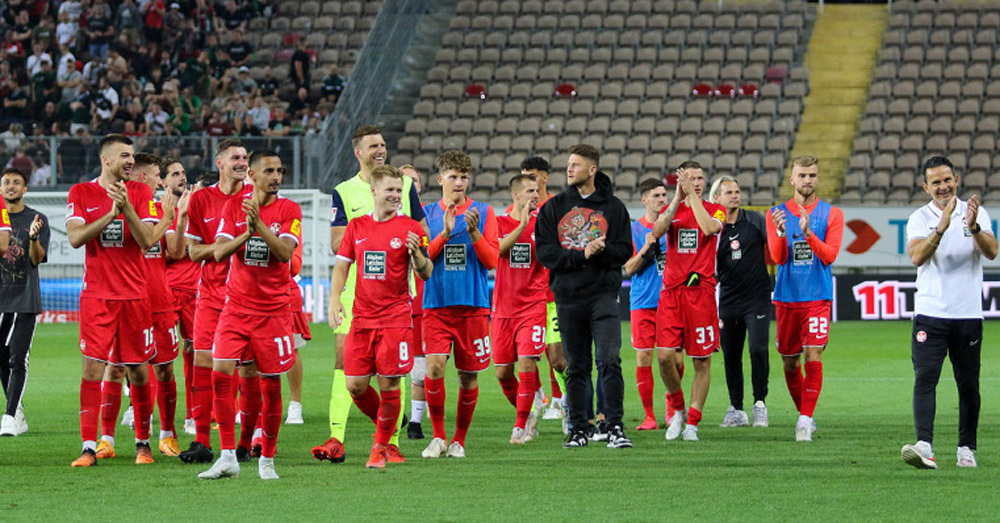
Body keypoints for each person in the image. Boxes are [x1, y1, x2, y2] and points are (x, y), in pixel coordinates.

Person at [312, 125, 426, 464]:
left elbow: (421, 233)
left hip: (396, 296)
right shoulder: (345, 191)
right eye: (373, 145)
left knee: (392, 372)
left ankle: (388, 442)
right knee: (346, 367)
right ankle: (338, 435)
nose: (380, 149)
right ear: (358, 152)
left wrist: (409, 244)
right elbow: (337, 245)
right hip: (355, 292)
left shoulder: (403, 186)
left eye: (383, 143)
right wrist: (367, 231)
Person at [199, 149, 302, 480]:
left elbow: (286, 252)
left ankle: (267, 459)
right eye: (269, 171)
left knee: (271, 386)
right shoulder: (234, 207)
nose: (276, 176)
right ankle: (228, 454)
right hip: (236, 307)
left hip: (273, 312)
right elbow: (217, 252)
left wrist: (259, 226)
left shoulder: (290, 209)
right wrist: (247, 230)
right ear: (252, 176)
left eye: (280, 170)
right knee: (220, 372)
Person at [66, 134, 159, 467]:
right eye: (124, 156)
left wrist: (127, 208)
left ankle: (143, 444)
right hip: (97, 296)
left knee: (138, 371)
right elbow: (76, 237)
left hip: (135, 295)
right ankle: (89, 447)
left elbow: (148, 240)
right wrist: (109, 214)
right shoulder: (81, 192)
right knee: (93, 368)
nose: (131, 161)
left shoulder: (141, 191)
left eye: (132, 156)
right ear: (106, 160)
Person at [901, 156, 997, 469]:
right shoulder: (919, 218)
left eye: (947, 180)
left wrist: (974, 227)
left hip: (968, 314)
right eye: (935, 182)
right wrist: (940, 228)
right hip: (931, 312)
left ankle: (966, 448)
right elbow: (917, 256)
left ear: (956, 179)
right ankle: (924, 445)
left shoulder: (977, 212)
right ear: (925, 186)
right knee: (925, 378)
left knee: (968, 383)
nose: (942, 187)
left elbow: (992, 251)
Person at [535, 144, 632, 449]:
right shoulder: (553, 208)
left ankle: (614, 425)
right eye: (568, 164)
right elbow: (546, 254)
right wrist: (582, 253)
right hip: (568, 297)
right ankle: (579, 428)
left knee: (609, 359)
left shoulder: (614, 208)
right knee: (576, 365)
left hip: (603, 295)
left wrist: (600, 252)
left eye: (576, 165)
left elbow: (624, 251)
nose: (569, 169)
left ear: (592, 170)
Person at [177, 139, 254, 464]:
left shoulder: (254, 198)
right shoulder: (201, 200)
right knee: (204, 365)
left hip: (249, 297)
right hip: (210, 297)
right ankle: (202, 440)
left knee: (249, 370)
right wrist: (224, 248)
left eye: (245, 157)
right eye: (235, 157)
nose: (242, 162)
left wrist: (222, 247)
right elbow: (192, 252)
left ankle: (248, 442)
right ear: (220, 162)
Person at [419, 150, 499, 459]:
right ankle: (438, 436)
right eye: (453, 176)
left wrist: (476, 232)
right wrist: (446, 233)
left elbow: (491, 261)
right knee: (435, 368)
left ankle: (459, 440)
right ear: (440, 179)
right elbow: (422, 260)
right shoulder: (426, 214)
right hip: (437, 305)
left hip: (473, 306)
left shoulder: (483, 211)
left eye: (464, 177)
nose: (459, 182)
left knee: (468, 376)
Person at [765, 155, 844, 442]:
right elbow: (777, 258)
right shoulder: (776, 213)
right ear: (792, 179)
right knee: (789, 363)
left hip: (817, 298)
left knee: (813, 354)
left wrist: (809, 233)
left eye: (812, 175)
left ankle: (804, 421)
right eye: (802, 175)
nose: (807, 180)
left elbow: (830, 256)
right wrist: (780, 231)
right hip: (787, 298)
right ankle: (805, 415)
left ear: (817, 178)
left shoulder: (832, 214)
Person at [650, 162, 726, 442]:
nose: (695, 182)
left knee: (701, 361)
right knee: (665, 357)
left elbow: (707, 228)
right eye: (688, 178)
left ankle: (693, 422)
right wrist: (676, 200)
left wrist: (692, 197)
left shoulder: (715, 209)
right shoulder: (673, 209)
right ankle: (678, 409)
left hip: (701, 294)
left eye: (699, 178)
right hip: (671, 293)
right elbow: (657, 231)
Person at [711, 175, 772, 428]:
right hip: (728, 299)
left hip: (756, 298)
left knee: (758, 350)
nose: (735, 195)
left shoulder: (756, 220)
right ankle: (736, 408)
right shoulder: (714, 228)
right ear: (716, 198)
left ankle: (760, 404)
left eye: (737, 191)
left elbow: (776, 247)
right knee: (731, 356)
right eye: (729, 192)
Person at [493, 173, 548, 444]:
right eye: (529, 191)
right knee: (503, 372)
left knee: (527, 362)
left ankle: (520, 427)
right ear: (515, 194)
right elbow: (496, 253)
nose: (535, 195)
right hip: (503, 309)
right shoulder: (500, 222)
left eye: (537, 191)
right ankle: (527, 412)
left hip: (533, 306)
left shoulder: (543, 225)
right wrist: (522, 224)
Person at [519, 156, 568, 423]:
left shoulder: (557, 207)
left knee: (556, 355)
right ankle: (540, 396)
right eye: (524, 175)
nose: (529, 180)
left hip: (553, 292)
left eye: (533, 175)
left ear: (545, 178)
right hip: (526, 295)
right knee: (526, 352)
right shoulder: (518, 211)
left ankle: (561, 398)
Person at [0, 167, 47, 436]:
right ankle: (16, 409)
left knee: (18, 359)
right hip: (1, 298)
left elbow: (36, 259)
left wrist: (32, 238)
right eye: (6, 182)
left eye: (16, 182)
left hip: (24, 298)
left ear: (25, 189)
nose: (11, 186)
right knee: (1, 358)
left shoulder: (36, 218)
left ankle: (8, 416)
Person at [623, 178, 668, 431]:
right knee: (643, 358)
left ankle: (672, 407)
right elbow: (628, 268)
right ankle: (650, 416)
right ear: (644, 200)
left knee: (672, 359)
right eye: (656, 196)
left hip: (671, 302)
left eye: (664, 195)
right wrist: (646, 248)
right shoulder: (634, 231)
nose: (662, 199)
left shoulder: (674, 228)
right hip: (642, 302)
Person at [162, 158, 199, 435]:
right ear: (163, 181)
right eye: (175, 174)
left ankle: (192, 414)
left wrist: (184, 247)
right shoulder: (157, 211)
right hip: (164, 292)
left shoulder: (196, 207)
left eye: (183, 173)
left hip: (194, 292)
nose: (181, 177)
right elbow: (157, 251)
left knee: (194, 353)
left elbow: (203, 244)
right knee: (159, 358)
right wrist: (183, 247)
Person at [399, 164, 428, 440]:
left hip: (423, 302)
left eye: (414, 181)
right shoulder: (381, 219)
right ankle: (398, 412)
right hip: (391, 305)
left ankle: (415, 422)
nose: (409, 185)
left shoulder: (427, 218)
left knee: (420, 368)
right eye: (403, 180)